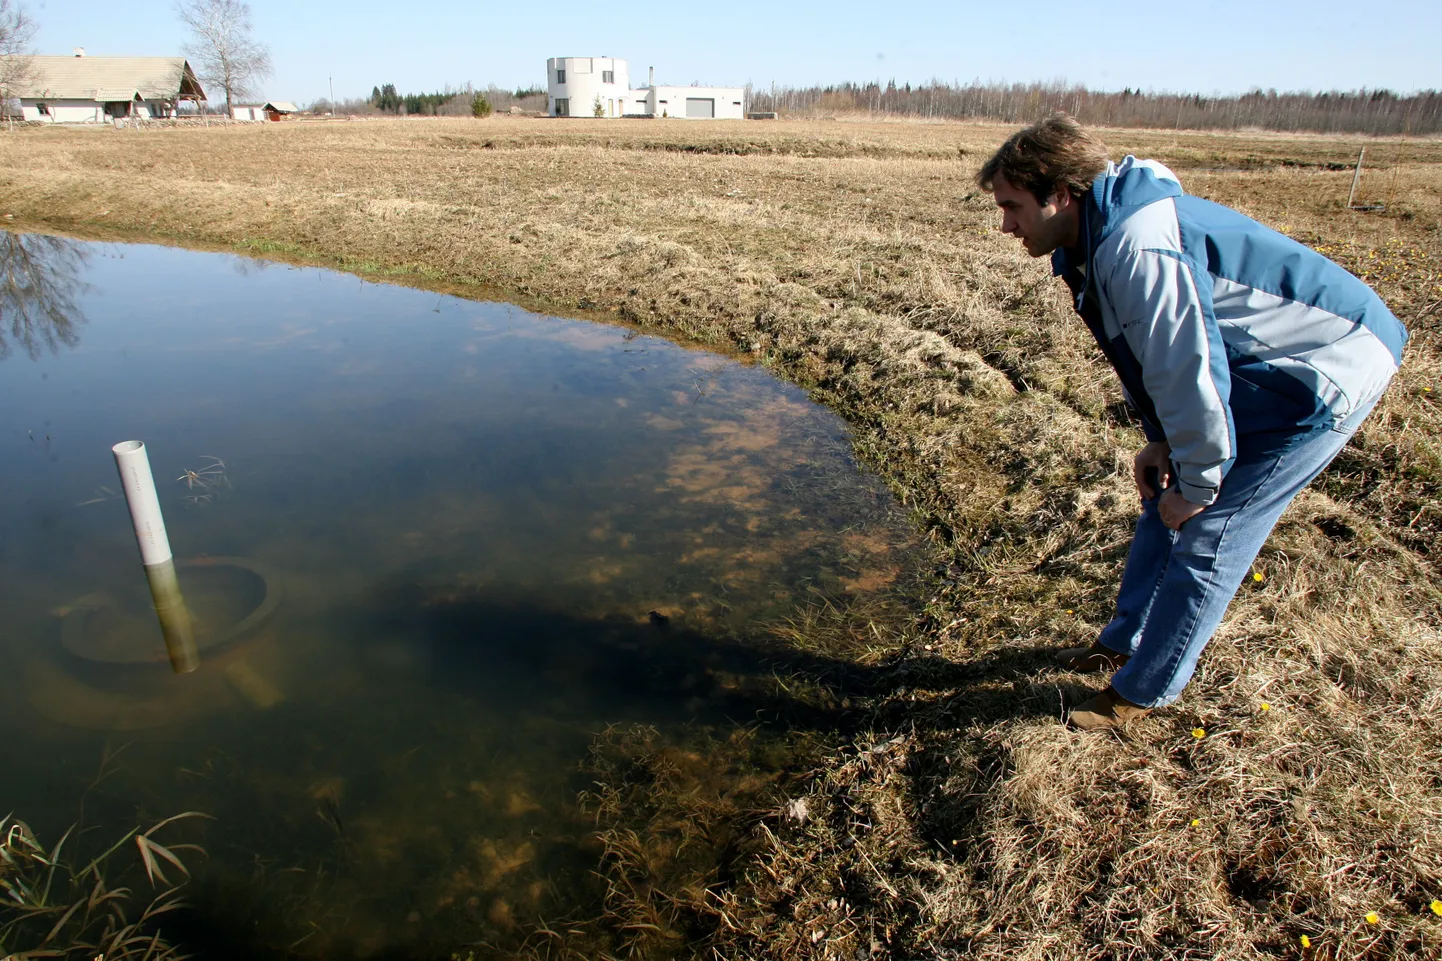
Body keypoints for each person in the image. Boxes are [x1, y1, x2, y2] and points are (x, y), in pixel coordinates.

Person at [976, 115, 1407, 731]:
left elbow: (1190, 371)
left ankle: (1140, 693)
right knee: (1162, 500)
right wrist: (1161, 441)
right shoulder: (1092, 239)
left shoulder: (1138, 247)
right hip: (1254, 366)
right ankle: (1123, 640)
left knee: (1212, 532)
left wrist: (1199, 484)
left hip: (1323, 369)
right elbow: (1149, 355)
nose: (1006, 225)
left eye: (1013, 206)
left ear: (1062, 194)